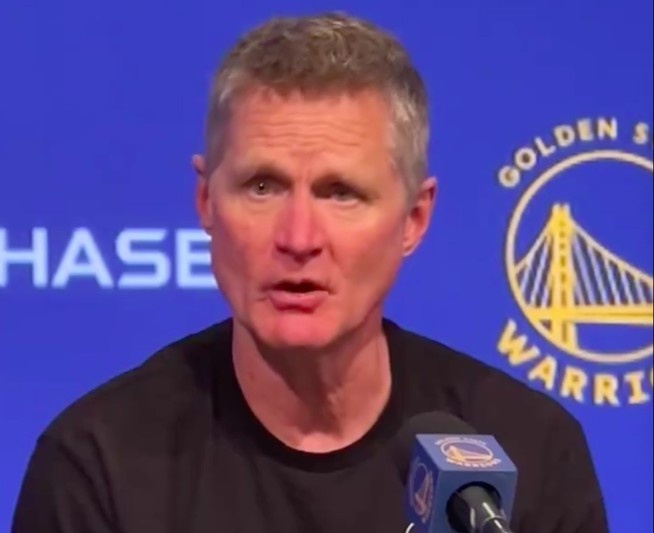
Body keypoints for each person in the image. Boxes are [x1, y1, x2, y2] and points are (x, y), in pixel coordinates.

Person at [12, 11, 608, 533]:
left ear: (414, 218)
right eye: (262, 186)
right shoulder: (97, 466)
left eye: (340, 192)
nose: (298, 238)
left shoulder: (527, 455)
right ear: (206, 202)